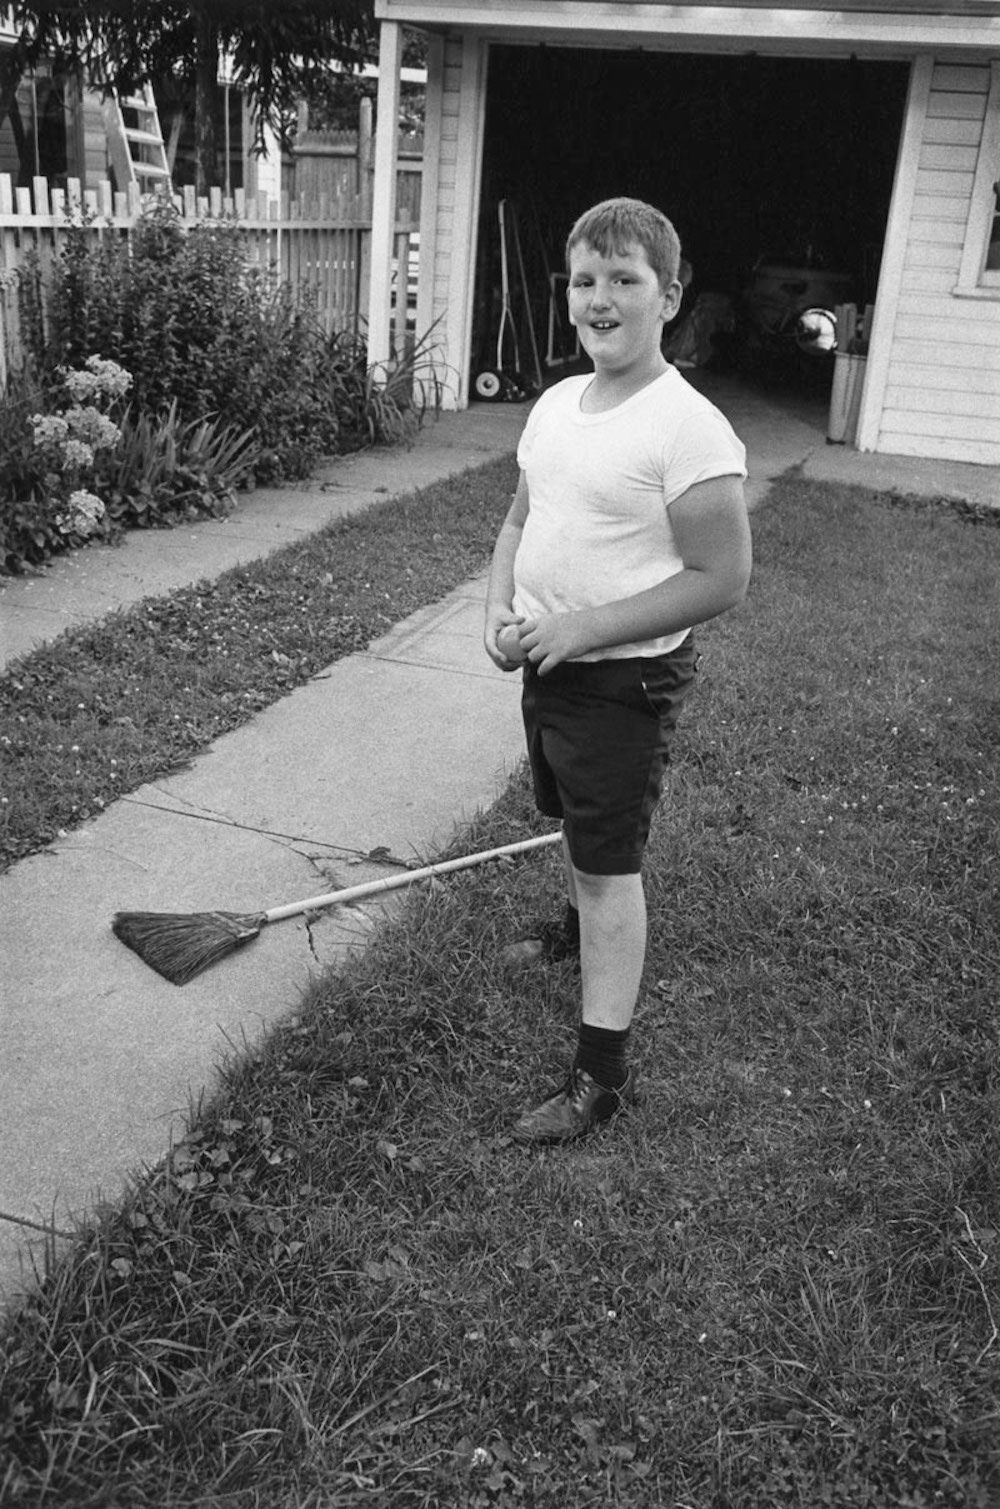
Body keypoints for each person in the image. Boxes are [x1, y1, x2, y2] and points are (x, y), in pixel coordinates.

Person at [483, 196, 752, 1146]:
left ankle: (600, 1075)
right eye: (585, 280)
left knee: (608, 866)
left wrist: (587, 627)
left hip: (622, 683)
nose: (600, 298)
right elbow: (520, 520)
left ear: (668, 298)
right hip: (551, 665)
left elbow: (722, 576)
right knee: (575, 822)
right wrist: (498, 611)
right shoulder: (557, 404)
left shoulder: (687, 428)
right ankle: (574, 929)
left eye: (625, 280)